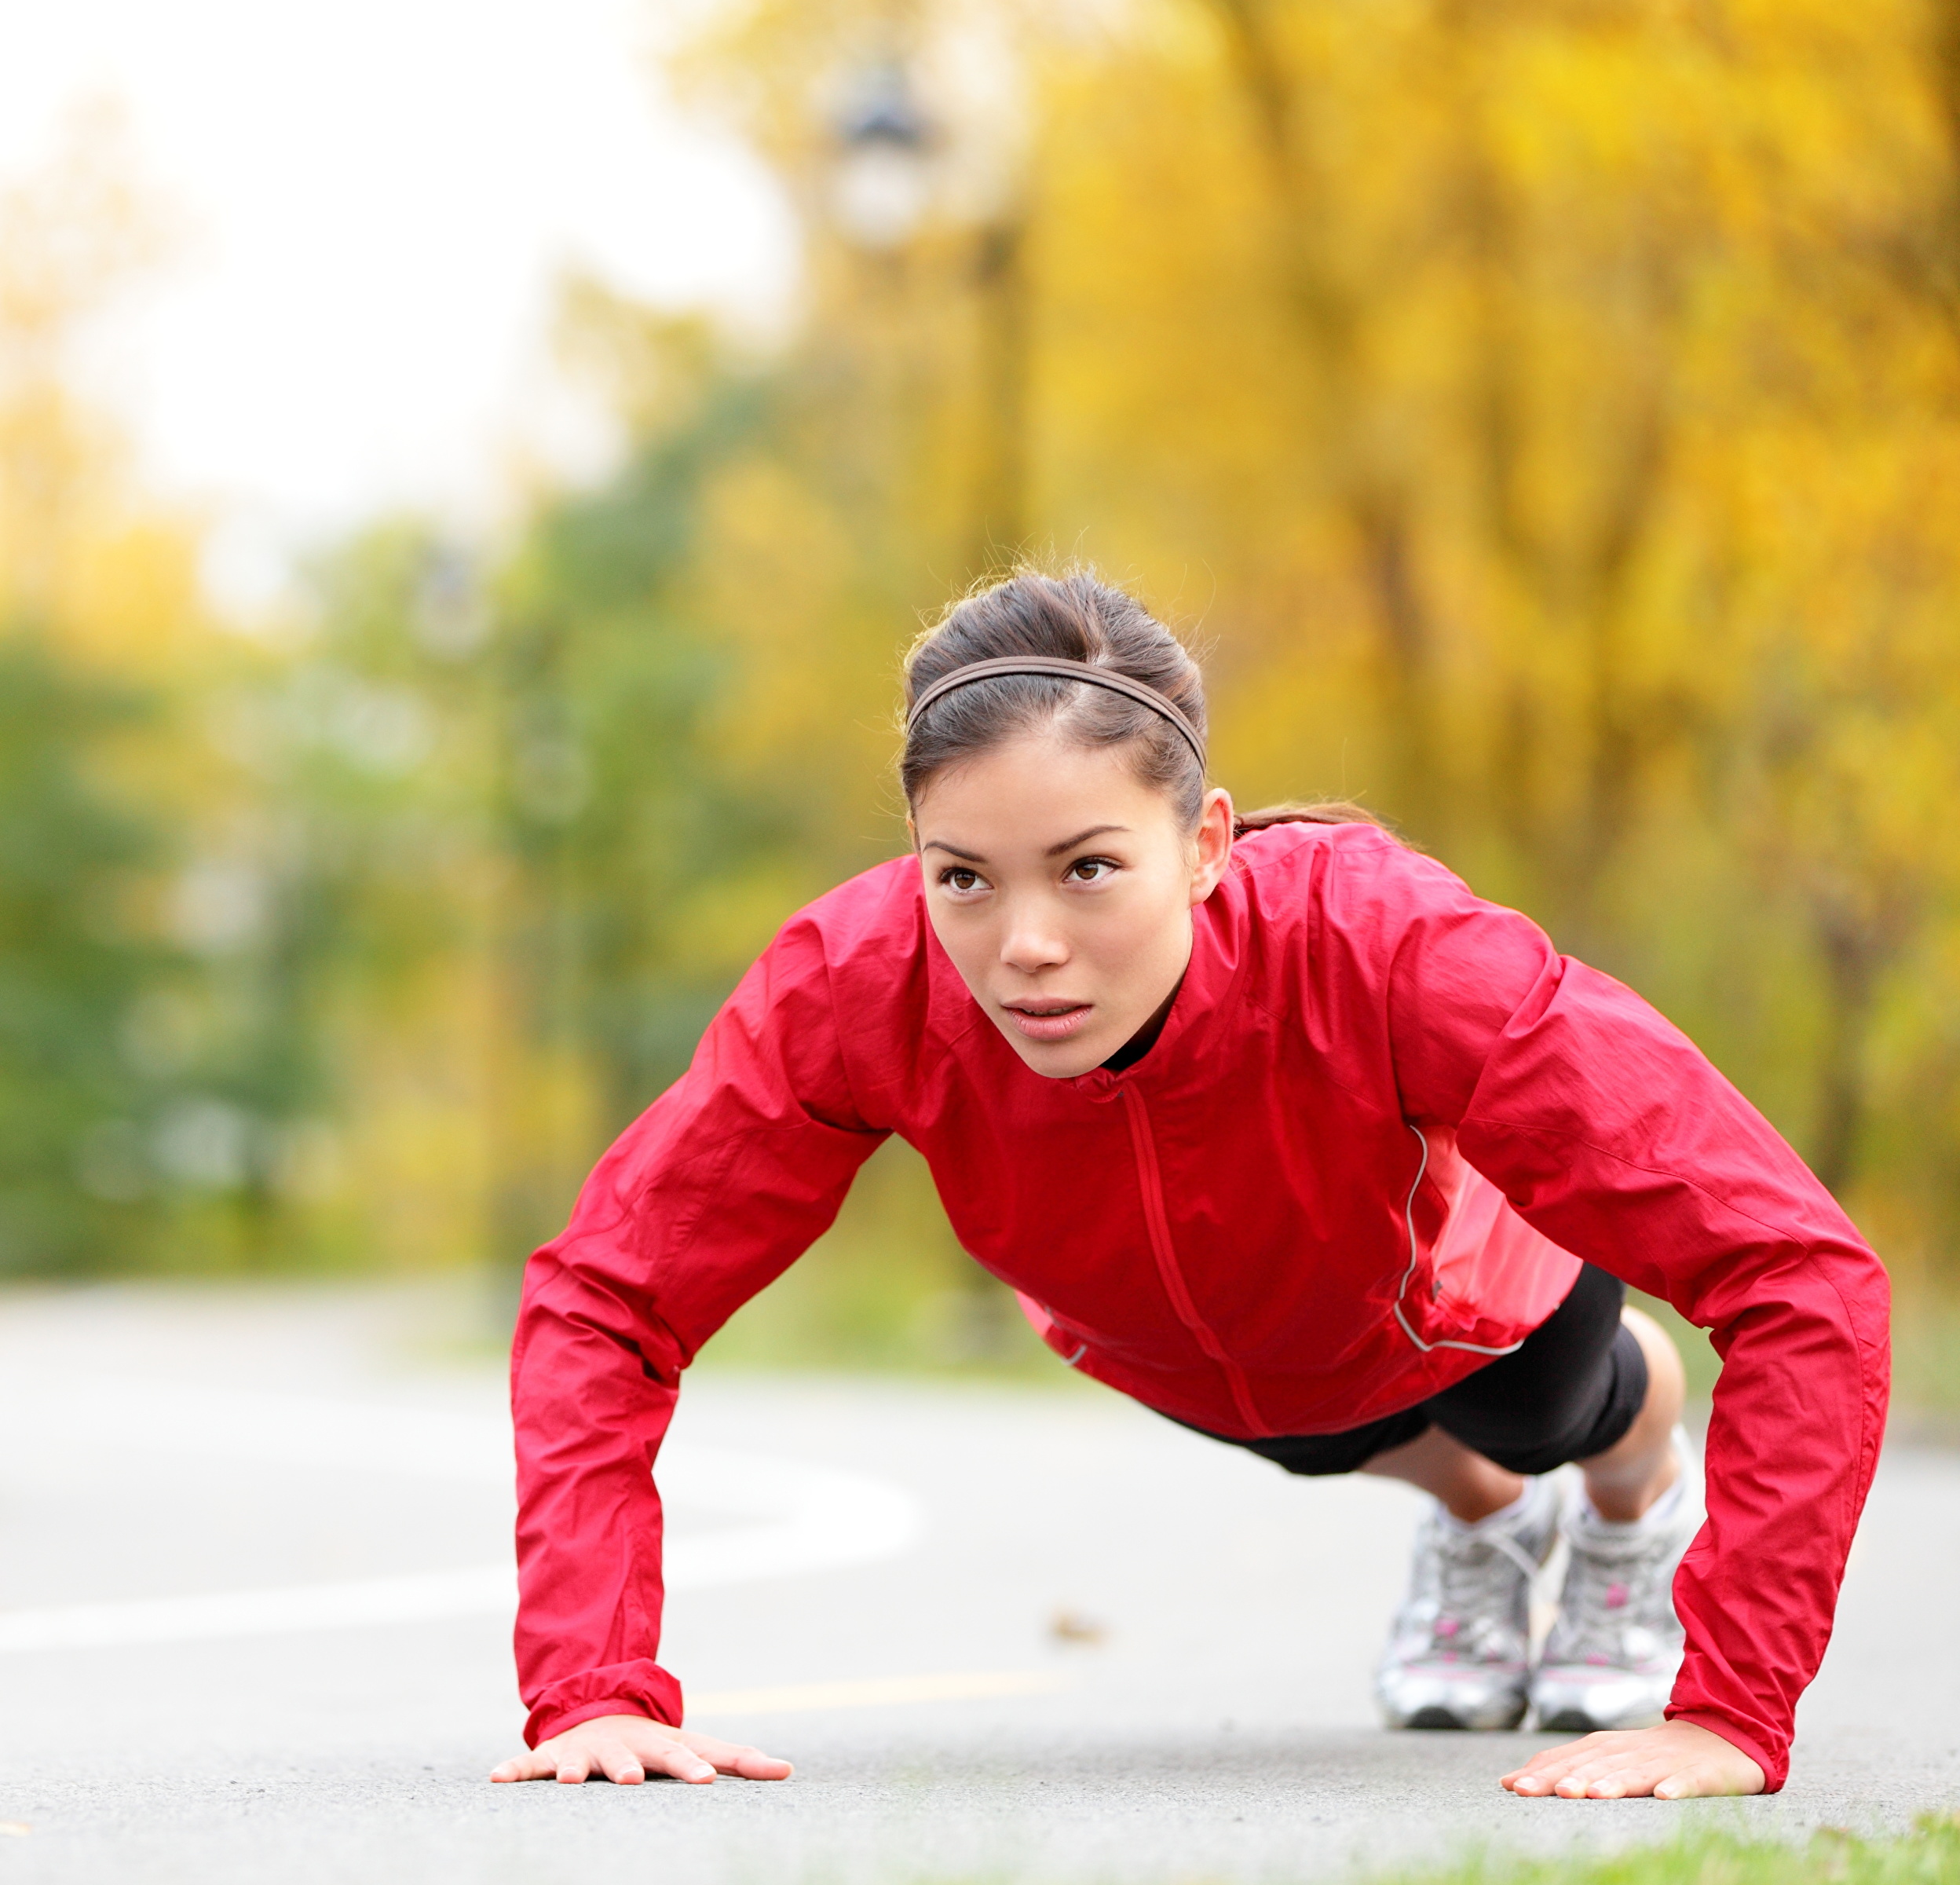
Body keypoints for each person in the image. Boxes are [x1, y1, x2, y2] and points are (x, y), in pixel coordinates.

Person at [488, 570, 1889, 1801]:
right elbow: (610, 1296)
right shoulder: (857, 985)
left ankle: (1629, 1503)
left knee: (1540, 1417)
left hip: (1464, 1303)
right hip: (1193, 1345)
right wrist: (591, 1690)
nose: (1024, 943)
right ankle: (1480, 1530)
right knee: (1298, 1425)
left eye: (1090, 869)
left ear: (1207, 844)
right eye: (963, 878)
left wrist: (1731, 1711)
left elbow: (1798, 1273)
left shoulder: (1385, 944)